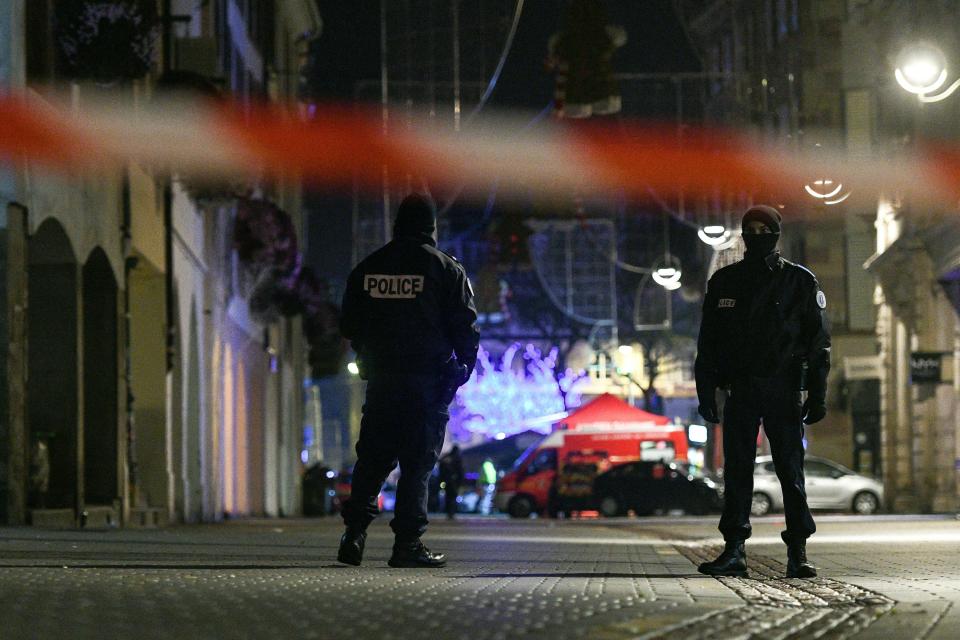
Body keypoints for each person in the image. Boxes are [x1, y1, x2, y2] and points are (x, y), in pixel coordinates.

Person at [337, 194, 480, 568]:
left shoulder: (370, 267)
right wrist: (462, 368)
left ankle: (354, 534)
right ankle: (407, 544)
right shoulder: (446, 270)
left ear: (397, 225)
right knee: (417, 465)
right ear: (431, 227)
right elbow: (465, 327)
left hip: (383, 380)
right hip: (427, 383)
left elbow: (349, 324)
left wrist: (371, 350)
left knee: (372, 459)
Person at [695, 205, 830, 579]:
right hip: (740, 390)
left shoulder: (799, 282)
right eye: (749, 229)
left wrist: (817, 394)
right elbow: (708, 344)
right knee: (737, 471)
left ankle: (798, 552)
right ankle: (734, 549)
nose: (756, 235)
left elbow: (818, 343)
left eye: (763, 228)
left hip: (784, 389)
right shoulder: (725, 282)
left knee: (791, 471)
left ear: (775, 233)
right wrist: (706, 392)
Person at [438, 446, 465, 520]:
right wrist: (461, 482)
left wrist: (441, 480)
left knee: (447, 497)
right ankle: (451, 513)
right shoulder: (457, 459)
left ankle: (448, 512)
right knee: (453, 497)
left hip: (445, 481)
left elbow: (441, 469)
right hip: (454, 482)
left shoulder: (445, 458)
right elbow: (460, 471)